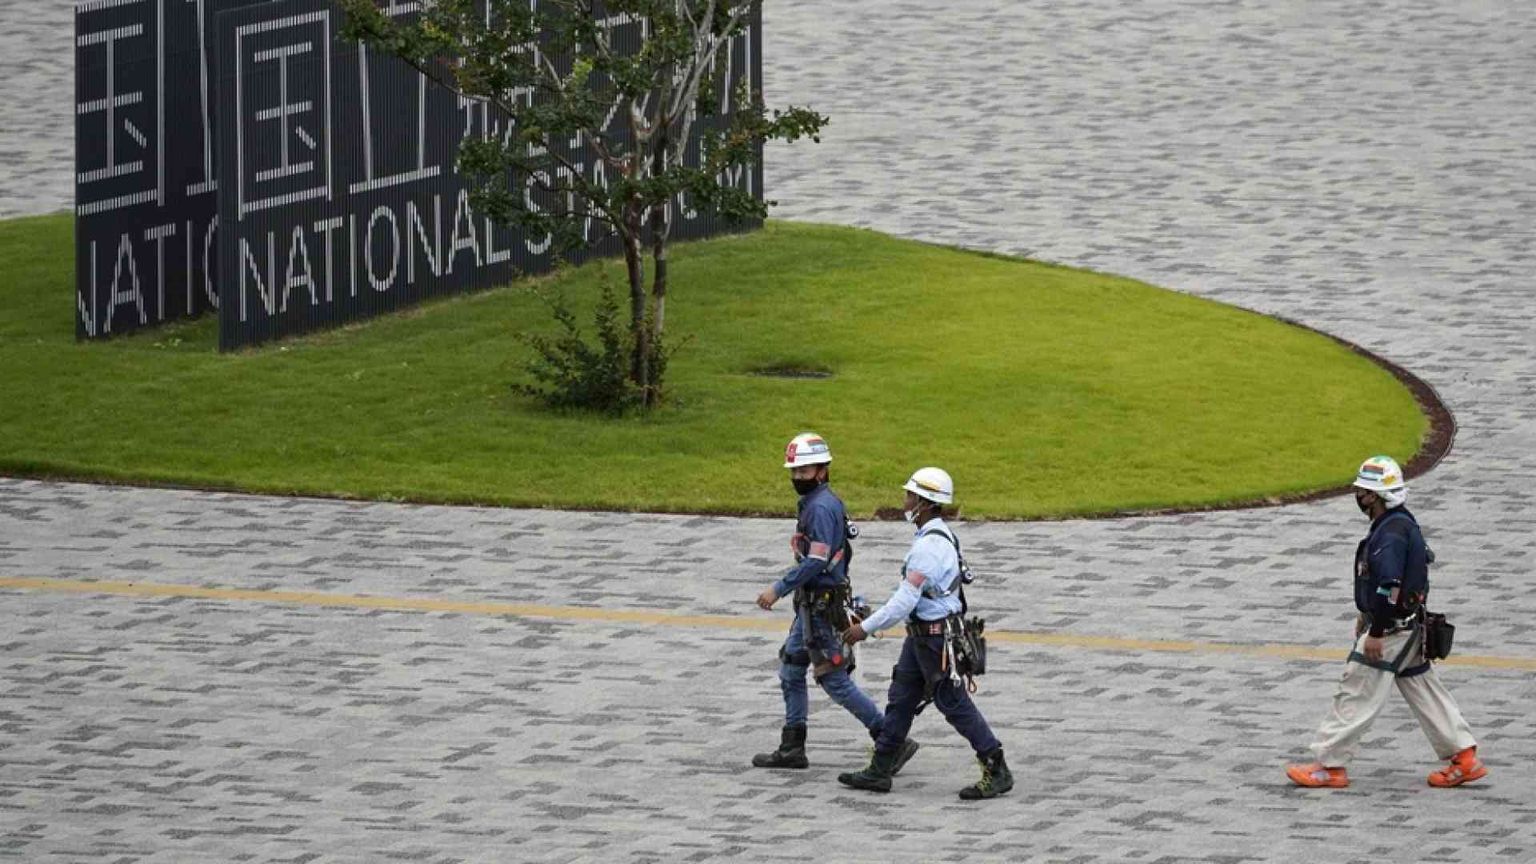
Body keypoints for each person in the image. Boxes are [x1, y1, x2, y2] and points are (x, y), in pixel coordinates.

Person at [1285, 455, 1488, 789]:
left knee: (1356, 691)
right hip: (1411, 630)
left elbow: (1389, 587)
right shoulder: (1402, 523)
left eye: (1362, 491)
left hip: (1391, 633)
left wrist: (1376, 631)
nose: (1357, 496)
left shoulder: (1390, 534)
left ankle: (1329, 765)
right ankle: (1464, 757)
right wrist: (1367, 615)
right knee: (1424, 689)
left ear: (1376, 497)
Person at [838, 467, 1012, 800]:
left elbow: (904, 600)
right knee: (901, 698)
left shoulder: (929, 548)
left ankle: (997, 767)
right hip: (921, 637)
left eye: (910, 496)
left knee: (953, 703)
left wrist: (864, 628)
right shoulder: (938, 536)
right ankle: (880, 768)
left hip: (935, 640)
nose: (905, 502)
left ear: (925, 503)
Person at [752, 433, 916, 772]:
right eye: (794, 471)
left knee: (833, 679)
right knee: (791, 668)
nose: (797, 477)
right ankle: (792, 747)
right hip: (811, 607)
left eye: (804, 471)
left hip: (821, 609)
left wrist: (778, 588)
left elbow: (816, 560)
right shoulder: (817, 502)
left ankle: (891, 740)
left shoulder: (821, 508)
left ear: (822, 471)